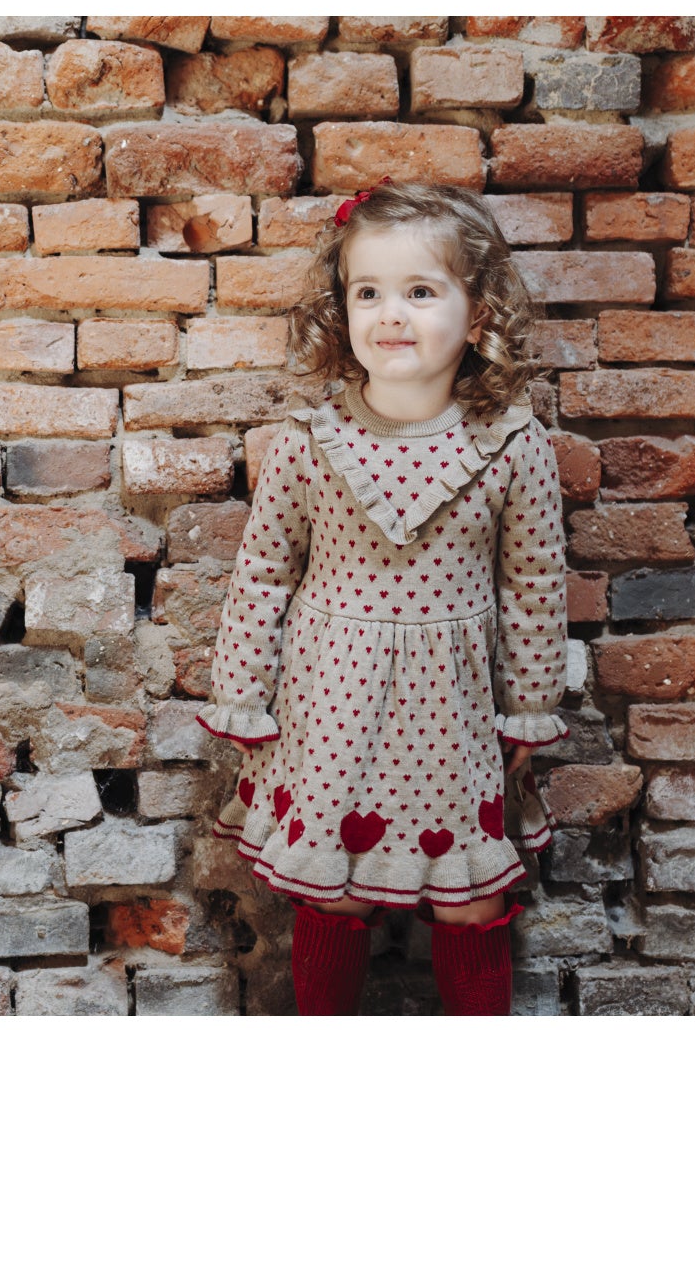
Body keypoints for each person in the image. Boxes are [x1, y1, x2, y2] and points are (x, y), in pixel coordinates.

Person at [195, 180, 570, 1017]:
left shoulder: (513, 443)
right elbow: (264, 573)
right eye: (368, 293)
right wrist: (242, 695)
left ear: (478, 314)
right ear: (342, 310)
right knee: (333, 893)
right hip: (329, 703)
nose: (390, 315)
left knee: (470, 897)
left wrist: (531, 709)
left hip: (454, 713)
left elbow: (534, 586)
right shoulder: (309, 440)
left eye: (421, 292)